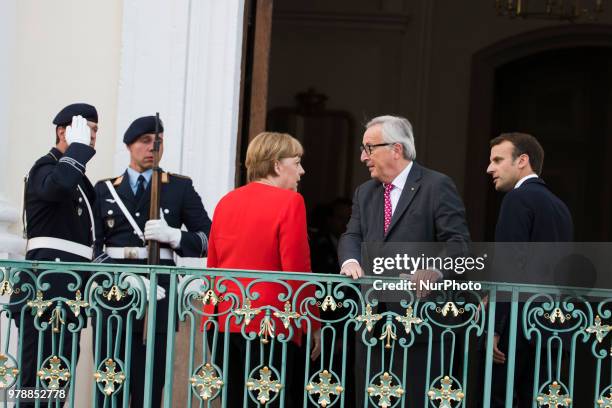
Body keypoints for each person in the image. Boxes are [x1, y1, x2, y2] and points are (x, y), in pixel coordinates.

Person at [337, 115, 470, 407]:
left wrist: (435, 270)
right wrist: (349, 261)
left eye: (369, 149)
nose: (363, 157)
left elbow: (458, 244)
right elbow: (351, 235)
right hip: (372, 322)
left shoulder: (437, 186)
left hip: (420, 324)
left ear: (396, 149)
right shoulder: (365, 192)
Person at [92, 115, 211, 408]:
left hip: (160, 291)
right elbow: (93, 245)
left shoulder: (179, 187)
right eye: (144, 141)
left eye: (157, 142)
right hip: (115, 291)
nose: (152, 148)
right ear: (129, 146)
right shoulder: (106, 189)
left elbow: (208, 238)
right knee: (111, 375)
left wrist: (175, 237)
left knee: (151, 378)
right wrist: (119, 276)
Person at [203, 132, 321, 407]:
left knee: (234, 400)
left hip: (224, 318)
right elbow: (297, 271)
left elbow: (214, 264)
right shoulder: (291, 202)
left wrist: (211, 317)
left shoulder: (227, 201)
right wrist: (312, 323)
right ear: (278, 165)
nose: (302, 171)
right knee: (268, 401)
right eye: (297, 162)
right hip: (269, 320)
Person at [11, 103, 99, 406]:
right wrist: (76, 149)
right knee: (34, 382)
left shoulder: (81, 179)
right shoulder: (45, 168)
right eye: (88, 130)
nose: (92, 138)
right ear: (63, 131)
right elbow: (57, 187)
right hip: (44, 291)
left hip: (69, 292)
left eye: (95, 132)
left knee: (56, 382)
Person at [485, 132, 573, 407]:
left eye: (498, 160)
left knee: (500, 400)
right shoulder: (560, 207)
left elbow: (510, 265)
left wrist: (494, 328)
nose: (490, 168)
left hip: (517, 329)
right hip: (554, 328)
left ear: (522, 161)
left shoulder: (518, 198)